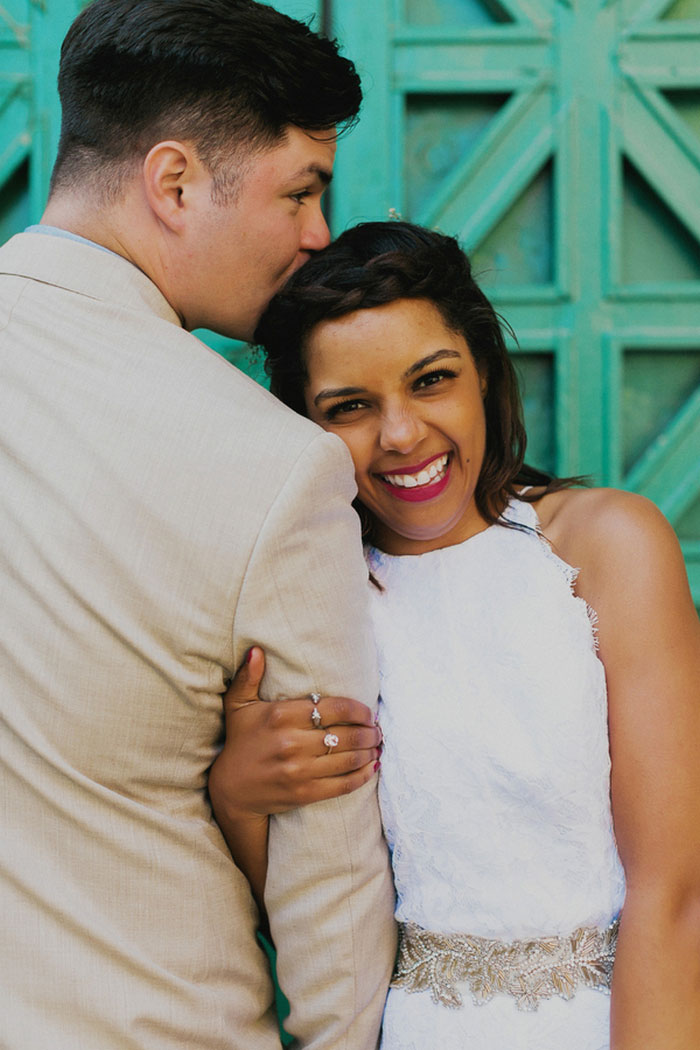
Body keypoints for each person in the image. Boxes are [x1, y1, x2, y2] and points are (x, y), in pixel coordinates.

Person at [0, 4, 396, 1048]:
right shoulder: (277, 467)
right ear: (173, 183)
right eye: (300, 190)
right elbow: (330, 870)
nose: (318, 234)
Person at [211, 221, 700, 1049]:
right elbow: (319, 907)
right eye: (351, 407)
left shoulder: (607, 545)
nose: (400, 435)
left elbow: (678, 893)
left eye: (431, 381)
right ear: (304, 427)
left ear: (483, 377)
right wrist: (238, 793)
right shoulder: (313, 606)